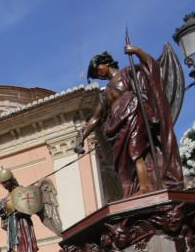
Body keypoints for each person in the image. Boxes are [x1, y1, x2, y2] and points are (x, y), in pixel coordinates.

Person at [74, 46, 183, 197]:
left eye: (97, 69)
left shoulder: (128, 72)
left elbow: (152, 67)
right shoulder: (104, 94)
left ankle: (145, 187)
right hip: (117, 128)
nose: (98, 74)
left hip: (133, 117)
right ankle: (132, 191)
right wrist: (81, 137)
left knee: (135, 152)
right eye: (95, 74)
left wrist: (137, 51)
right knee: (123, 164)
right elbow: (96, 118)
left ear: (106, 63)